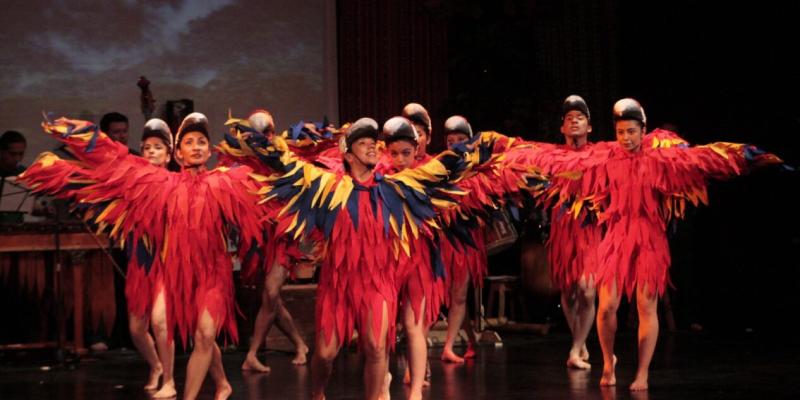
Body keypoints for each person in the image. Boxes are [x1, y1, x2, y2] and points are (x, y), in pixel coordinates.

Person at [20, 113, 266, 400]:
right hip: (176, 273)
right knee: (181, 330)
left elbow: (262, 179)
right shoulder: (164, 184)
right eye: (189, 142)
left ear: (210, 150)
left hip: (214, 275)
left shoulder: (224, 182)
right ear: (178, 152)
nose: (197, 147)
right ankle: (211, 383)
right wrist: (83, 141)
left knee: (204, 336)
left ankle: (191, 388)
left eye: (202, 142)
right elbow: (119, 164)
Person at [547, 98, 782, 390]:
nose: (625, 138)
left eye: (631, 132)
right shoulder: (606, 156)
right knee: (606, 306)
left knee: (647, 307)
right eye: (620, 132)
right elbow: (567, 162)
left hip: (649, 240)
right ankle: (608, 362)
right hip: (616, 238)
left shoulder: (660, 159)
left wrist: (747, 157)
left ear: (642, 130)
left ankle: (642, 373)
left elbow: (703, 158)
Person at [125, 118, 176, 397]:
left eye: (158, 147)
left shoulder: (176, 183)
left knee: (160, 321)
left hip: (165, 263)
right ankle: (155, 366)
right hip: (140, 261)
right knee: (136, 328)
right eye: (146, 148)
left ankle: (169, 380)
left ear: (169, 155)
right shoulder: (132, 184)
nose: (151, 152)